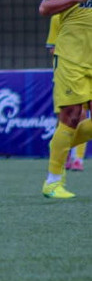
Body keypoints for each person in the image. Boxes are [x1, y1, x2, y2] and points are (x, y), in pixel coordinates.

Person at [39, 0, 92, 199]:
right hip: (72, 58)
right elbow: (45, 8)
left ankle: (58, 145)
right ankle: (53, 182)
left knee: (68, 129)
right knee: (71, 117)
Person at [45, 15, 87, 172]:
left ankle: (78, 159)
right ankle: (63, 154)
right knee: (65, 119)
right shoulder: (57, 17)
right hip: (66, 75)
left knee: (82, 115)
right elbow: (52, 48)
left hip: (86, 74)